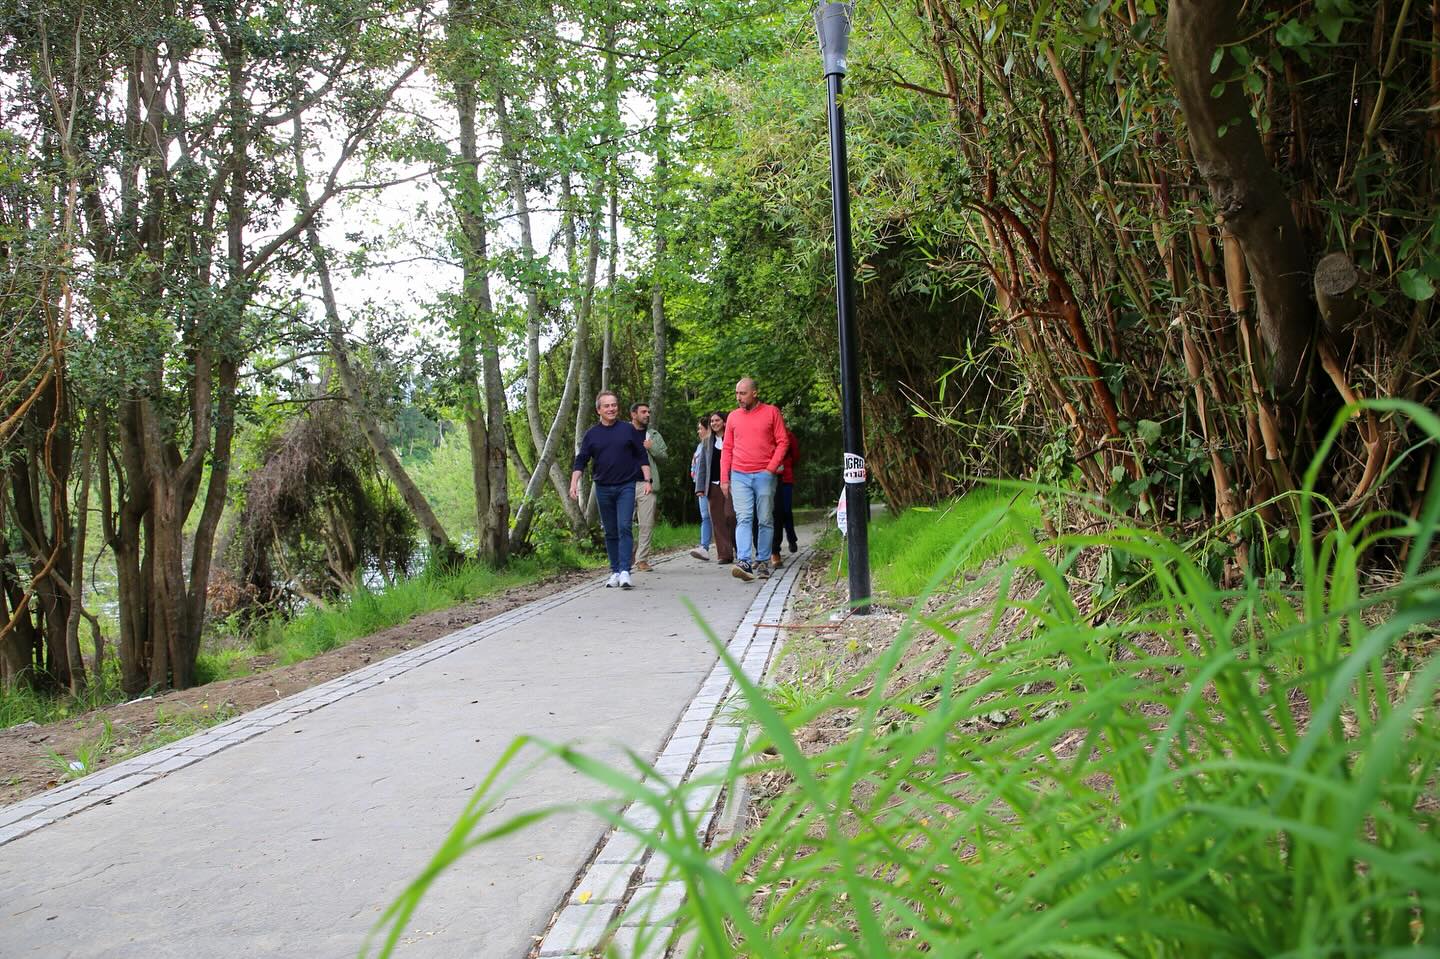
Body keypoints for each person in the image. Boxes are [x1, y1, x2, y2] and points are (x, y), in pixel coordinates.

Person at [570, 391, 650, 589]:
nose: (611, 409)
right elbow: (581, 460)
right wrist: (574, 483)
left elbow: (641, 455)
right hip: (603, 488)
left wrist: (648, 480)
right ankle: (615, 571)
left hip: (626, 486)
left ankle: (625, 571)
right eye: (606, 406)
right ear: (599, 410)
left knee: (624, 527)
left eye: (614, 405)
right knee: (610, 531)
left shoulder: (627, 429)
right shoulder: (592, 434)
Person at [720, 378, 789, 582]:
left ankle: (763, 561)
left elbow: (783, 441)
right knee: (743, 518)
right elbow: (727, 448)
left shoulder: (771, 412)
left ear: (755, 393)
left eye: (743, 393)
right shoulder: (733, 417)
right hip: (739, 474)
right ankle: (744, 561)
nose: (738, 397)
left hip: (764, 474)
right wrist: (724, 478)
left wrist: (770, 468)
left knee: (765, 519)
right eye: (737, 393)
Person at [629, 402, 667, 572]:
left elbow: (664, 457)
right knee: (623, 524)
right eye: (643, 412)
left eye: (648, 412)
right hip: (625, 483)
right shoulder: (623, 432)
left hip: (647, 484)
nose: (647, 415)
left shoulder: (653, 434)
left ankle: (642, 559)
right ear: (633, 414)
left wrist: (652, 448)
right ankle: (626, 557)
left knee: (646, 523)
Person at [697, 411, 736, 565]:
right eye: (712, 421)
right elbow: (702, 466)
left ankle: (738, 548)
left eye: (717, 420)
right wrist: (700, 487)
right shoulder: (707, 442)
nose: (714, 423)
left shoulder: (732, 439)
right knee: (717, 520)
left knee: (731, 515)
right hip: (712, 486)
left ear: (725, 422)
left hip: (731, 484)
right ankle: (724, 554)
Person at [770, 421, 799, 567]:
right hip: (768, 477)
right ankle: (773, 549)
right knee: (774, 513)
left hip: (785, 478)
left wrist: (786, 466)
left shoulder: (788, 435)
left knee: (786, 510)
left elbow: (796, 455)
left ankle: (791, 538)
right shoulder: (765, 435)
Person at [689, 416, 713, 561]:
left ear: (708, 429)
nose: (698, 431)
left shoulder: (711, 444)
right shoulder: (700, 445)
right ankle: (704, 547)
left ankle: (731, 547)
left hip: (712, 486)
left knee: (720, 517)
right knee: (705, 517)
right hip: (701, 487)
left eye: (700, 428)